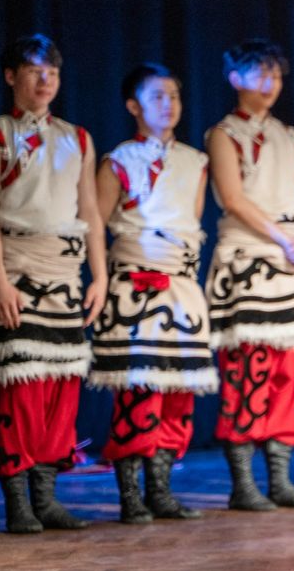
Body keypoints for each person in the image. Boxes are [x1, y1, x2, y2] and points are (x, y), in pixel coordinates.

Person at [205, 39, 294, 511]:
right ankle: (243, 481)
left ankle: (280, 476)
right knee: (247, 370)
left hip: (291, 262)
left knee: (288, 371)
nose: (271, 83)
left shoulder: (289, 135)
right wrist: (282, 238)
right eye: (260, 73)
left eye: (276, 75)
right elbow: (234, 198)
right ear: (235, 77)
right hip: (251, 257)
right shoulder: (223, 134)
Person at [90, 63, 217, 523]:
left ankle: (161, 488)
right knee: (138, 388)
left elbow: (193, 222)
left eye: (175, 96)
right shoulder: (118, 160)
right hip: (134, 287)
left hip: (181, 287)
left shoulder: (195, 161)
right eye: (158, 96)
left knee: (179, 391)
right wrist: (103, 280)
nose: (170, 104)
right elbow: (97, 227)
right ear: (133, 105)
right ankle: (130, 493)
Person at [0, 35, 106, 534]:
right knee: (21, 387)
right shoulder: (1, 133)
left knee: (61, 387)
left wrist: (100, 275)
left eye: (53, 73)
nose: (45, 80)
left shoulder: (77, 138)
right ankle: (17, 497)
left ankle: (47, 495)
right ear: (11, 76)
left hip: (66, 274)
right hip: (17, 267)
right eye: (36, 70)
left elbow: (90, 212)